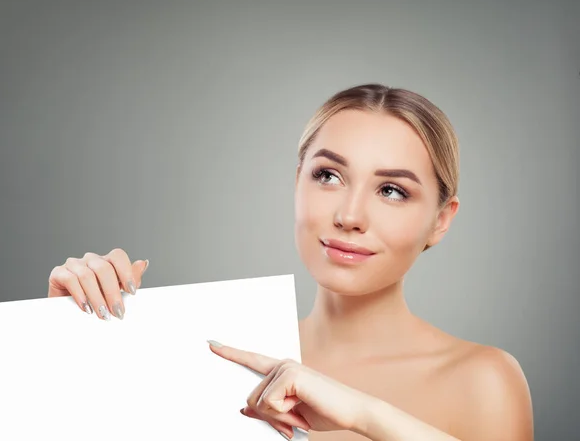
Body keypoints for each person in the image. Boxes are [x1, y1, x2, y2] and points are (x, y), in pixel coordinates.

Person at [47, 83, 534, 440]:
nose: (349, 215)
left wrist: (364, 415)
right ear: (297, 181)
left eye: (391, 190)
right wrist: (55, 344)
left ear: (440, 220)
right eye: (328, 176)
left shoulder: (482, 380)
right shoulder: (212, 363)